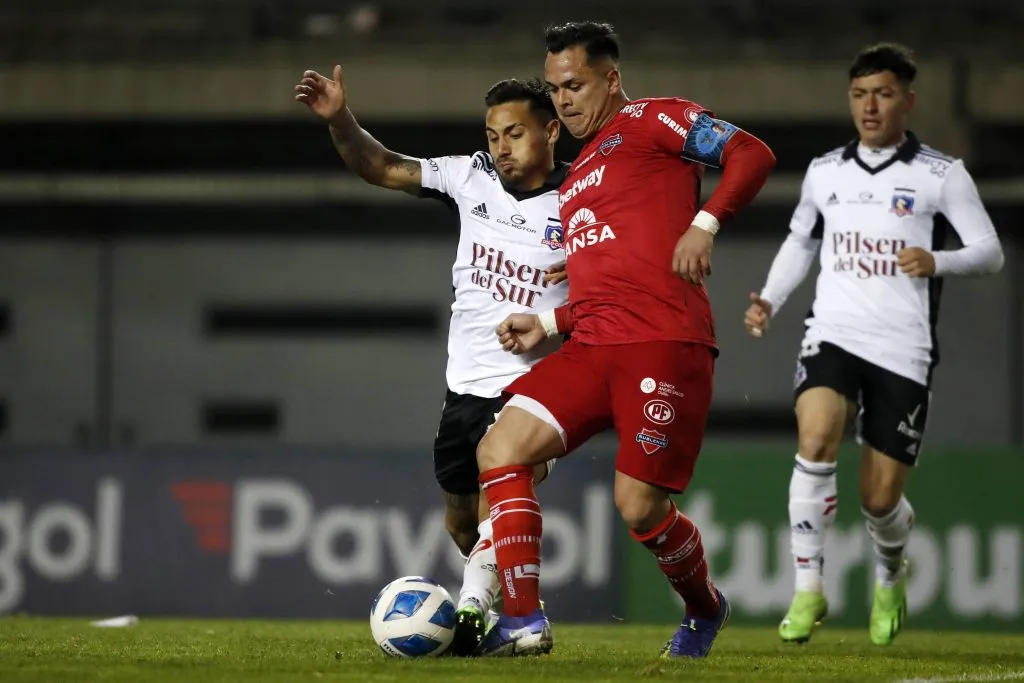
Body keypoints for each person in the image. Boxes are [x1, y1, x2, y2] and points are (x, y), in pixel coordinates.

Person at [474, 21, 776, 658]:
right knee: (500, 448)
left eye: (575, 85)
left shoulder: (654, 119)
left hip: (663, 342)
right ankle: (524, 624)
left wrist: (705, 223)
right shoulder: (579, 169)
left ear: (611, 78)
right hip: (591, 345)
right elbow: (612, 271)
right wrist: (550, 322)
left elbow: (753, 153)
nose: (563, 99)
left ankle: (704, 607)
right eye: (555, 89)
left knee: (638, 508)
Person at [294, 69, 569, 655]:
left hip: (534, 385)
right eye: (493, 134)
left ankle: (476, 611)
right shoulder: (470, 176)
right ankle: (516, 601)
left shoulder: (582, 201)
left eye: (514, 133)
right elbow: (383, 166)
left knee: (505, 484)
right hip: (463, 388)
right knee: (461, 526)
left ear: (552, 131)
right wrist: (341, 120)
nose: (500, 146)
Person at [743, 43, 1004, 646]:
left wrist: (936, 259)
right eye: (860, 94)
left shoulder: (942, 175)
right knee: (814, 438)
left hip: (903, 347)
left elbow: (990, 252)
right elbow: (802, 243)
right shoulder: (825, 171)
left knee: (880, 502)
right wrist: (769, 299)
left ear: (907, 101)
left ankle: (890, 569)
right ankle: (808, 590)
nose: (870, 105)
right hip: (833, 332)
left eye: (883, 94)